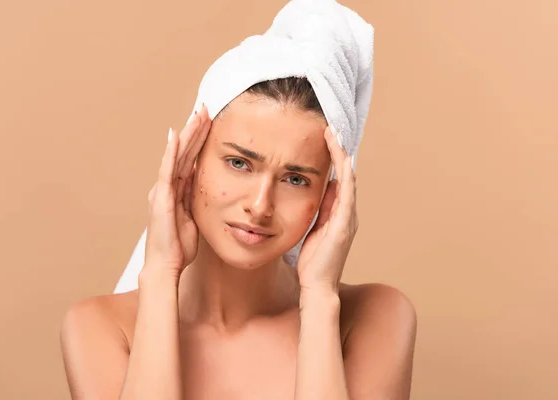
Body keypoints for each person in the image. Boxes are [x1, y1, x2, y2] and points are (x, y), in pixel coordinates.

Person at [60, 76, 417, 399]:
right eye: (239, 163)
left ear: (329, 198)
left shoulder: (375, 318)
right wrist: (159, 275)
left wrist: (320, 298)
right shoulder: (101, 327)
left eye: (295, 179)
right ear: (190, 163)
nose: (260, 206)